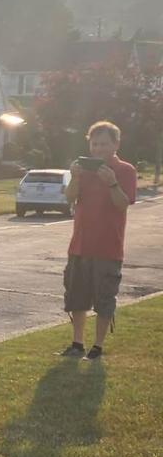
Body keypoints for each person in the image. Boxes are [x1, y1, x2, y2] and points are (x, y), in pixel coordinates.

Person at [61, 119, 137, 360]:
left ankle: (97, 347)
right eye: (94, 144)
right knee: (76, 298)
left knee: (104, 299)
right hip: (80, 246)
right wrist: (75, 177)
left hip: (108, 249)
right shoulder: (83, 169)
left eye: (104, 144)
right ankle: (77, 344)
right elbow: (69, 198)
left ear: (116, 144)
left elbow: (123, 203)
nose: (98, 149)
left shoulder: (125, 170)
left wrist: (112, 182)